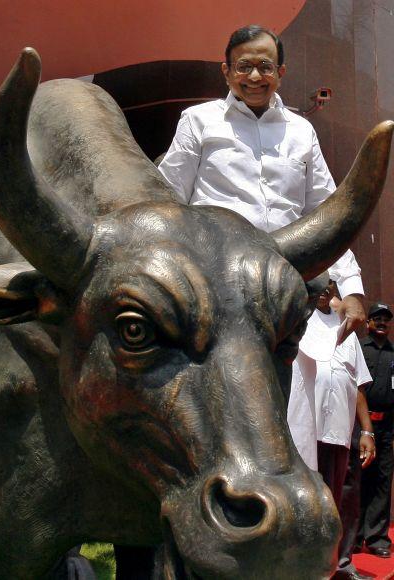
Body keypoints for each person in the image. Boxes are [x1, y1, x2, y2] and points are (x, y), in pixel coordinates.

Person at [158, 24, 365, 340]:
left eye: (265, 67)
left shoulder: (301, 132)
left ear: (280, 72)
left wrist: (351, 287)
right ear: (227, 72)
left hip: (285, 289)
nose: (254, 77)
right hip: (214, 284)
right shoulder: (198, 121)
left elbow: (326, 212)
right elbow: (167, 200)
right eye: (244, 67)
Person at [311, 281, 376, 580]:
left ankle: (341, 564)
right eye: (318, 286)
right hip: (308, 432)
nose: (325, 292)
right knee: (311, 504)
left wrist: (367, 431)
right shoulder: (302, 324)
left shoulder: (348, 332)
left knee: (341, 502)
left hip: (341, 432)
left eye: (330, 286)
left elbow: (358, 383)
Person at [357, 303, 394, 558]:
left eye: (386, 319)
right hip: (360, 426)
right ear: (368, 322)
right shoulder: (358, 348)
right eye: (377, 318)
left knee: (383, 481)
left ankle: (377, 537)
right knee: (359, 481)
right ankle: (355, 535)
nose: (382, 323)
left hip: (387, 426)